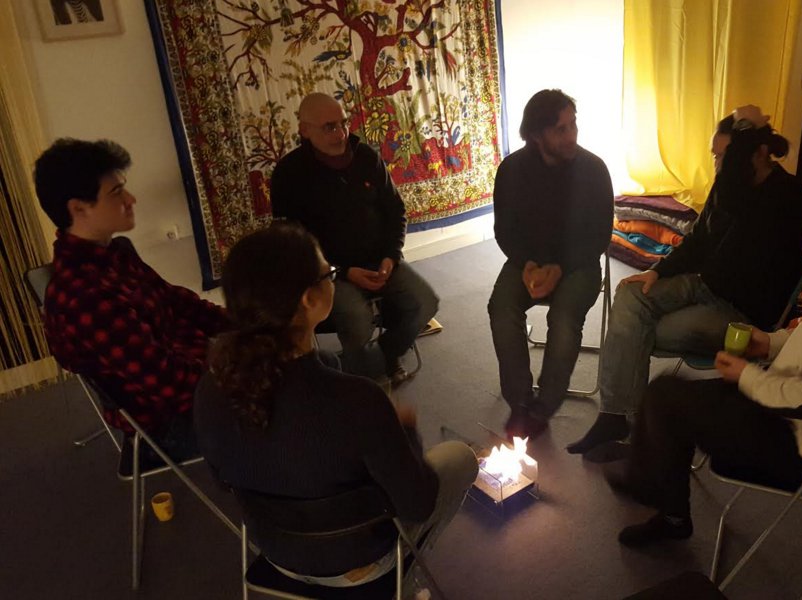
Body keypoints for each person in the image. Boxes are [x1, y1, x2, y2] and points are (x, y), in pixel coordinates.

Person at [608, 159, 802, 546]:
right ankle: (655, 491)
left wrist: (747, 376)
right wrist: (769, 342)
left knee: (667, 401)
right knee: (667, 394)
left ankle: (664, 505)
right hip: (790, 404)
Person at [194, 223, 477, 589]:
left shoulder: (210, 388)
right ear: (308, 300)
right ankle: (403, 583)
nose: (333, 278)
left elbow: (223, 478)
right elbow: (418, 504)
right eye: (328, 273)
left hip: (274, 553)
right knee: (460, 458)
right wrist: (405, 432)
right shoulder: (360, 401)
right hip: (356, 565)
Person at [568, 106, 802, 455]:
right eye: (715, 156)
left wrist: (740, 156)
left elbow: (752, 254)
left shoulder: (787, 196)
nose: (718, 165)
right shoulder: (728, 184)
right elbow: (698, 240)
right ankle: (615, 417)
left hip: (741, 313)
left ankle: (636, 430)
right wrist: (658, 270)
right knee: (632, 294)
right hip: (703, 284)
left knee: (644, 329)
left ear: (757, 152)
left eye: (725, 156)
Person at [34, 138, 230, 458]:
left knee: (299, 369)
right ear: (78, 208)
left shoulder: (115, 252)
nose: (131, 199)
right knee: (297, 405)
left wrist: (247, 323)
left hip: (198, 368)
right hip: (171, 422)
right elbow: (170, 385)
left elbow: (178, 302)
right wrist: (242, 374)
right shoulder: (83, 297)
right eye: (116, 193)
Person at [271, 92, 439, 384]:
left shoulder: (366, 157)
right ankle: (364, 380)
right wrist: (343, 270)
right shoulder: (289, 174)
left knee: (426, 302)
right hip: (330, 272)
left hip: (380, 260)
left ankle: (383, 356)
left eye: (343, 123)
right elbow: (292, 242)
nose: (341, 133)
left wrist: (391, 255)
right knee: (358, 320)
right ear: (305, 130)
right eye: (329, 127)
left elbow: (395, 210)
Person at [488, 89, 614, 438]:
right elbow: (504, 230)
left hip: (579, 264)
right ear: (536, 135)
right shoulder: (511, 170)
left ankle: (544, 407)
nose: (572, 135)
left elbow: (600, 236)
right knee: (501, 308)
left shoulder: (594, 170)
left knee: (564, 318)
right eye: (561, 129)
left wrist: (559, 268)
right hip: (527, 262)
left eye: (573, 125)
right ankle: (520, 402)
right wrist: (527, 263)